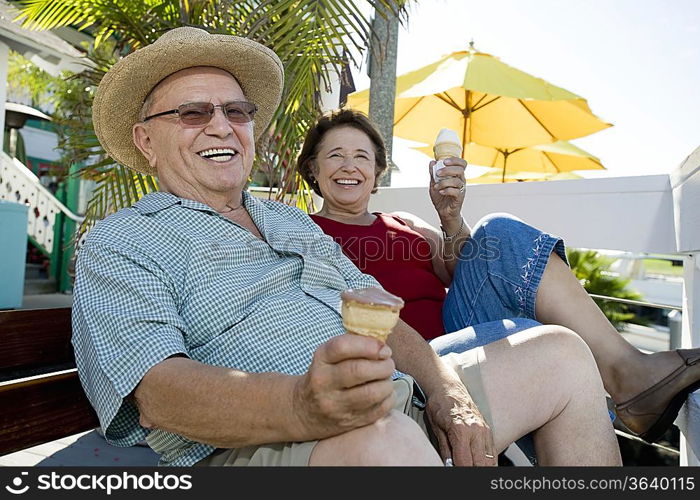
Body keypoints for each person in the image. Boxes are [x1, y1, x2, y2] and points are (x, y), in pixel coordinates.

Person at [71, 26, 621, 467]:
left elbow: (381, 312)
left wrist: (448, 393)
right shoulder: (123, 242)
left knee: (562, 355)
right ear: (146, 141)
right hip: (268, 441)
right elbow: (158, 393)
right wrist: (302, 406)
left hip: (397, 397)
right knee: (385, 442)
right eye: (193, 113)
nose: (222, 127)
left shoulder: (290, 222)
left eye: (236, 112)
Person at [296, 108, 700, 446]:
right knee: (535, 339)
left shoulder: (406, 223)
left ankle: (626, 371)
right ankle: (623, 384)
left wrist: (450, 216)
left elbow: (464, 271)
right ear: (313, 168)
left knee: (498, 230)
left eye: (362, 157)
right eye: (335, 156)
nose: (349, 166)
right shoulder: (299, 231)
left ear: (377, 171)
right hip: (405, 364)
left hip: (459, 332)